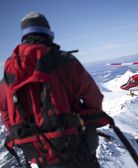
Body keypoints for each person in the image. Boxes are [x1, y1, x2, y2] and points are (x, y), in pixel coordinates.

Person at [0, 12, 108, 168]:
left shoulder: (9, 71)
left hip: (36, 154)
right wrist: (89, 120)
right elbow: (93, 97)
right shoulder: (64, 61)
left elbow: (5, 110)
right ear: (48, 33)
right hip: (74, 147)